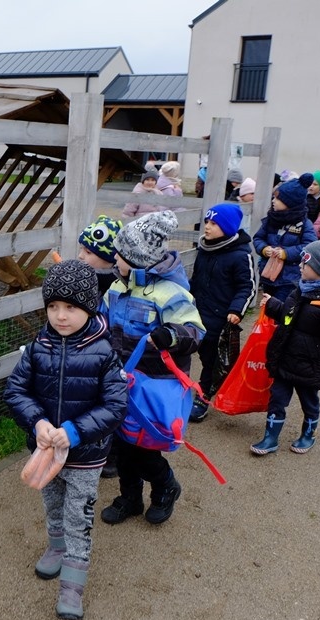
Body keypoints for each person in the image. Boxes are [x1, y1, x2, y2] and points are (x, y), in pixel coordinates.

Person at [3, 259, 127, 620]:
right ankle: (56, 548)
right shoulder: (38, 346)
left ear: (88, 307)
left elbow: (115, 405)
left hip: (85, 454)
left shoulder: (104, 352)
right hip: (45, 451)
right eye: (53, 306)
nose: (60, 315)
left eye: (71, 307)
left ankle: (73, 585)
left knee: (78, 515)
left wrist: (74, 432)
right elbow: (15, 390)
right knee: (53, 504)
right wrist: (37, 421)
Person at [99, 210, 206, 526]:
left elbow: (194, 330)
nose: (114, 258)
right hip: (120, 380)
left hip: (155, 384)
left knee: (144, 446)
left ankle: (165, 487)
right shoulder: (116, 288)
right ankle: (130, 498)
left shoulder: (170, 293)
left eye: (119, 254)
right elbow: (102, 323)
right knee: (122, 442)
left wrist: (170, 335)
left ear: (135, 258)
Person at [250, 239, 320, 456]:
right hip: (287, 357)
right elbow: (289, 315)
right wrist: (274, 306)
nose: (300, 266)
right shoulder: (302, 289)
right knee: (277, 398)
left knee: (309, 401)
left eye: (306, 263)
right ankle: (270, 438)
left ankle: (308, 434)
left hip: (312, 364)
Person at [188, 203, 257, 422]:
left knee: (211, 359)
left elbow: (247, 287)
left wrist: (237, 309)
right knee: (186, 349)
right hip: (195, 312)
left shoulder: (240, 255)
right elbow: (196, 279)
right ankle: (179, 387)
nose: (207, 227)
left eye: (214, 223)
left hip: (219, 317)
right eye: (207, 222)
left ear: (227, 228)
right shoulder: (204, 249)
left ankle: (203, 396)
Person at [75, 214, 122, 478]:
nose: (81, 256)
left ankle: (111, 454)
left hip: (109, 355)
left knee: (108, 403)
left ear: (110, 257)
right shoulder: (80, 279)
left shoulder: (117, 286)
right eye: (81, 250)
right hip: (84, 354)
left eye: (88, 252)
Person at [252, 173, 317, 302]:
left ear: (289, 202)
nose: (273, 201)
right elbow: (258, 238)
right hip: (268, 275)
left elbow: (310, 247)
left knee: (280, 309)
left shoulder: (304, 224)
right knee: (267, 306)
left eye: (277, 198)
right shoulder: (271, 219)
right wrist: (264, 249)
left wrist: (286, 253)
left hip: (290, 279)